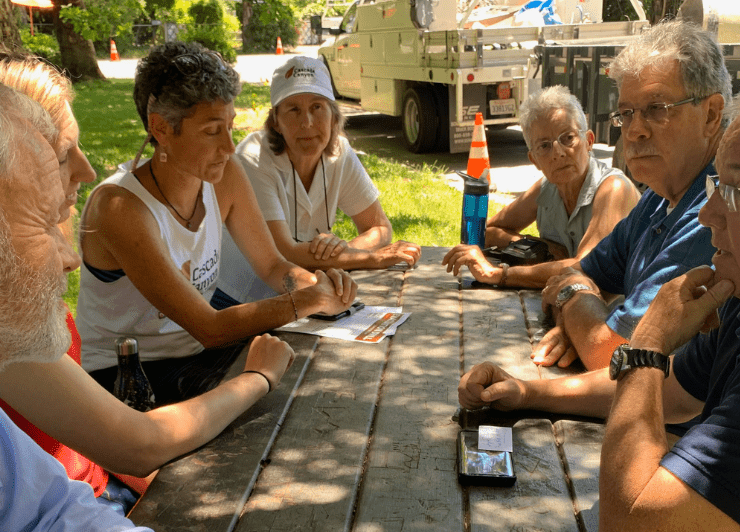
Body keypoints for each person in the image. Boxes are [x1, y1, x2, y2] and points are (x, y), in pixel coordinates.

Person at [458, 65, 740, 532]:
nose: (710, 213)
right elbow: (673, 395)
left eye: (736, 190)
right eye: (715, 188)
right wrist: (526, 393)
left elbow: (631, 522)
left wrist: (647, 343)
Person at [0, 78, 318, 532]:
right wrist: (272, 353)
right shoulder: (119, 208)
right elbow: (142, 438)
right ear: (161, 129)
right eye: (47, 221)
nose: (71, 259)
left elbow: (44, 530)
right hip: (141, 406)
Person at [77, 42, 357, 405]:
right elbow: (209, 327)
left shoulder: (224, 176)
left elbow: (272, 265)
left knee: (318, 381)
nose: (229, 146)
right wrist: (307, 300)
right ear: (161, 128)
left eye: (230, 126)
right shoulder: (118, 207)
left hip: (197, 354)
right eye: (212, 131)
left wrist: (319, 284)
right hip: (128, 376)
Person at [528, 20, 725, 371]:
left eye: (657, 109)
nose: (634, 130)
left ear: (710, 114)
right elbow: (579, 272)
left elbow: (609, 354)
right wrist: (575, 317)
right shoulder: (660, 195)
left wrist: (574, 298)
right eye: (627, 113)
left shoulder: (715, 211)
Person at [216, 56, 421, 306]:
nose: (307, 123)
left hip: (306, 288)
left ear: (334, 116)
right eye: (293, 110)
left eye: (317, 107)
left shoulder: (340, 152)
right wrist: (370, 258)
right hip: (240, 297)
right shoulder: (253, 157)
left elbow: (379, 227)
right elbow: (284, 251)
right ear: (276, 121)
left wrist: (342, 249)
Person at [441, 85, 639, 289]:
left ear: (589, 141)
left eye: (568, 138)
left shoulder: (613, 189)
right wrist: (543, 247)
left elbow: (586, 268)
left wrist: (500, 274)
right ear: (534, 160)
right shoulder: (547, 187)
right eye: (544, 146)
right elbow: (489, 231)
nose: (558, 153)